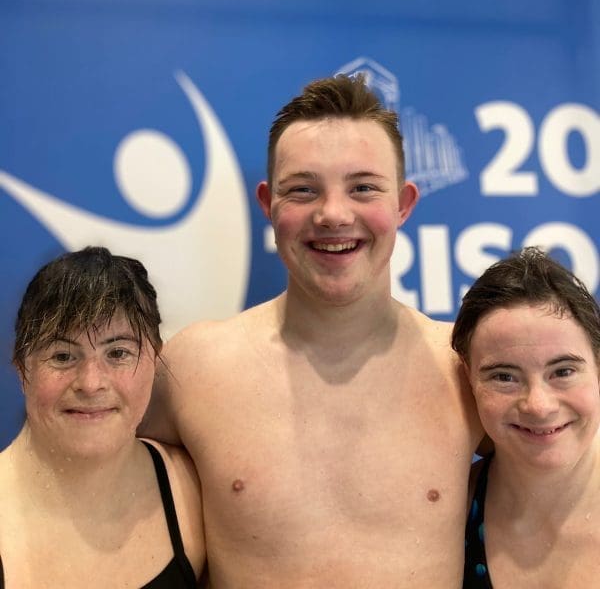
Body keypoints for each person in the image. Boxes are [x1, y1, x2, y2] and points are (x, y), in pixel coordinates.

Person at [144, 74, 482, 588]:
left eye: (363, 188)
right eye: (303, 189)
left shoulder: (466, 367)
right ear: (268, 205)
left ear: (403, 203)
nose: (333, 214)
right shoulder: (192, 368)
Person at [0, 246, 205, 588]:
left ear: (154, 361)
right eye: (63, 356)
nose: (91, 383)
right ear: (23, 370)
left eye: (118, 352)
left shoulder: (190, 491)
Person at [452, 247, 600, 589]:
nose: (539, 405)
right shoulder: (444, 518)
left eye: (563, 371)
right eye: (504, 377)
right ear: (468, 380)